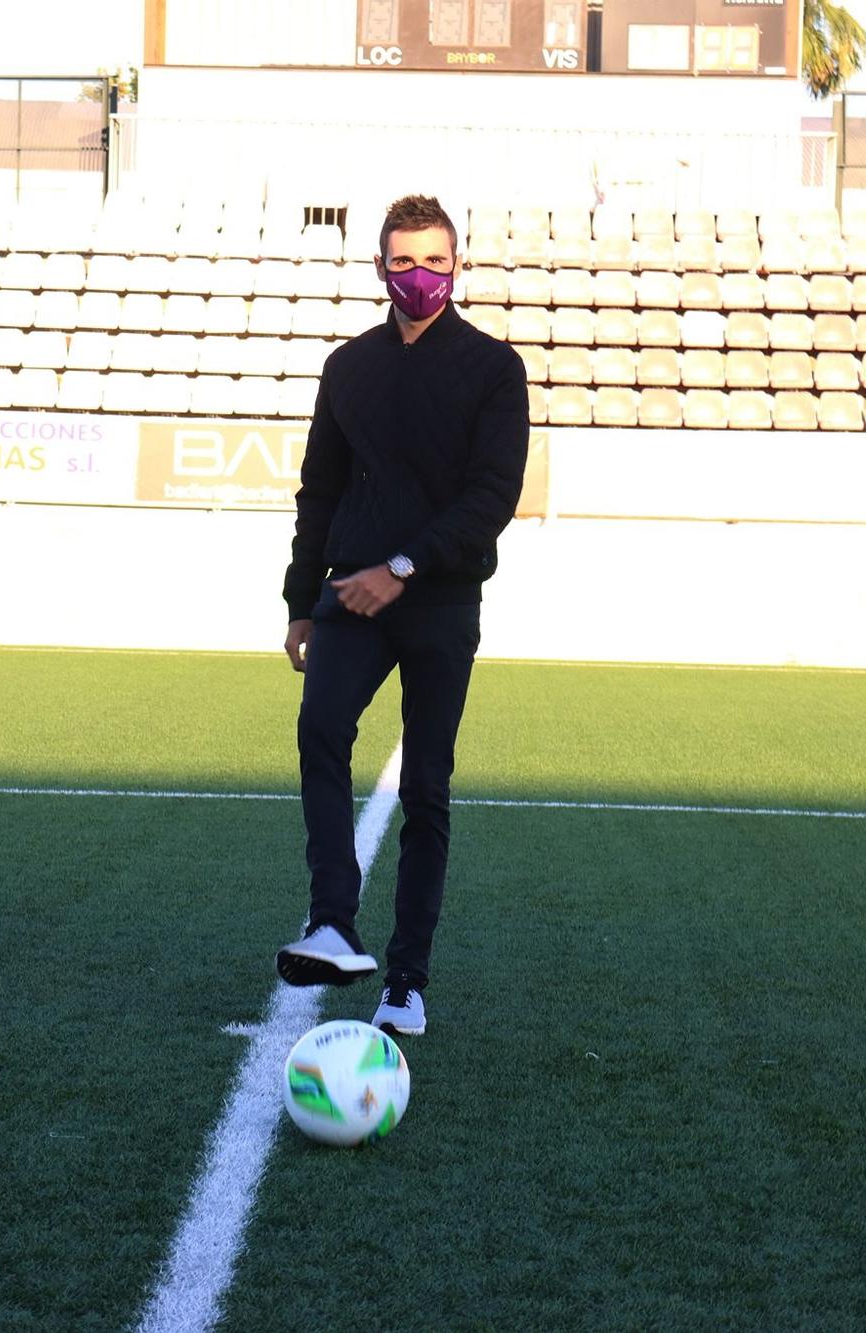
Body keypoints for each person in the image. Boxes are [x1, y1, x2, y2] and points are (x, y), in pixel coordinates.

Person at [274, 194, 530, 1037]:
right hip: (350, 594)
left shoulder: (495, 369)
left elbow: (491, 496)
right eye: (403, 260)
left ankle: (407, 981)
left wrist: (406, 566)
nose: (419, 276)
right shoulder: (349, 366)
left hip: (440, 600)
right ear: (379, 267)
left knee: (426, 785)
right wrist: (300, 599)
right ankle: (333, 922)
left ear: (458, 264)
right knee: (320, 731)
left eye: (434, 260)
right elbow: (321, 488)